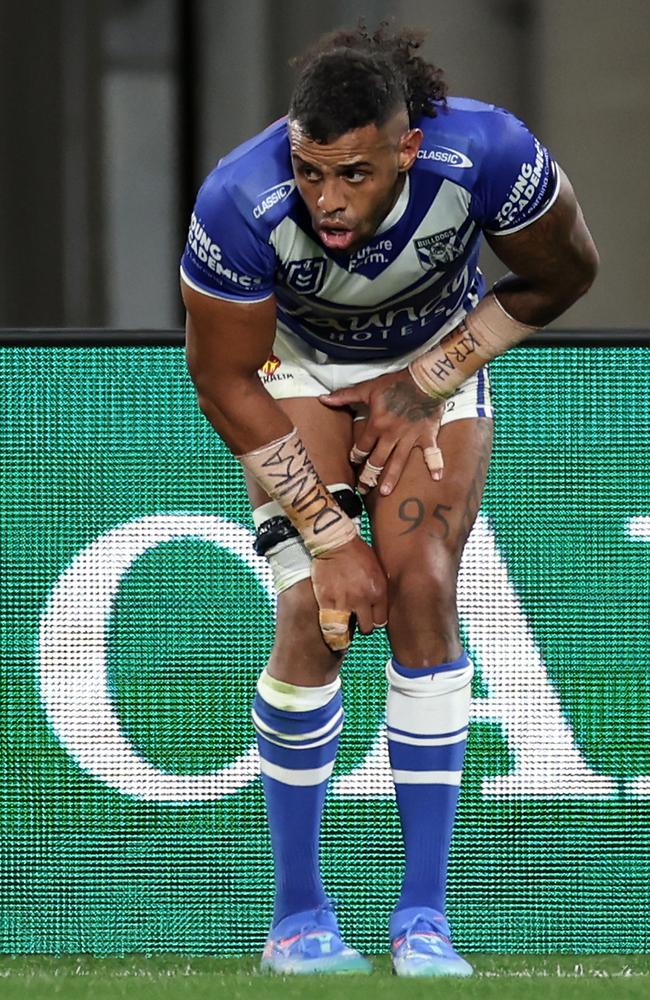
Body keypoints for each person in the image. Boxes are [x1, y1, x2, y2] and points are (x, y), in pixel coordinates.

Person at [180, 22, 598, 977]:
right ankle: (297, 917)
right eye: (313, 172)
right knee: (318, 611)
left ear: (407, 148)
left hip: (433, 360)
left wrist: (431, 380)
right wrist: (327, 533)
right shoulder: (238, 198)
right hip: (295, 370)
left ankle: (423, 918)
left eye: (356, 176)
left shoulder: (491, 154)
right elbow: (225, 379)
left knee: (424, 590)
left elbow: (565, 272)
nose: (328, 202)